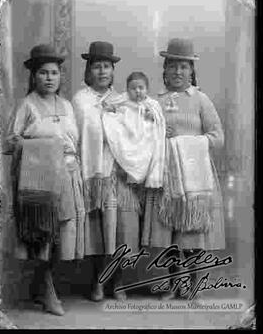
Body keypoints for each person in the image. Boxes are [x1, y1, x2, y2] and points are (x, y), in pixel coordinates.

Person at [141, 38, 225, 300]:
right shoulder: (156, 101)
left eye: (184, 67)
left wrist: (187, 143)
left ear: (191, 71)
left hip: (195, 176)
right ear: (164, 70)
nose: (178, 72)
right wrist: (156, 134)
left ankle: (193, 283)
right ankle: (173, 282)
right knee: (170, 233)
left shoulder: (201, 100)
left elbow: (217, 137)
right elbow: (142, 139)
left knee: (193, 233)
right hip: (167, 176)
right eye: (173, 66)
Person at [5, 44, 85, 316]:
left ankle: (41, 284)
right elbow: (10, 142)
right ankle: (48, 290)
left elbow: (74, 140)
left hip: (68, 175)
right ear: (34, 76)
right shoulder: (26, 105)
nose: (50, 78)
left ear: (60, 76)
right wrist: (43, 145)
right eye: (43, 73)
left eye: (54, 73)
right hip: (38, 178)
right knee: (43, 234)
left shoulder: (66, 105)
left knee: (62, 234)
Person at [73, 42, 147, 301]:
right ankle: (97, 282)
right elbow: (77, 136)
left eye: (107, 66)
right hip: (93, 175)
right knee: (97, 233)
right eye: (97, 66)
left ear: (113, 70)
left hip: (120, 173)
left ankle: (120, 282)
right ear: (89, 70)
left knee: (123, 231)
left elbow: (137, 134)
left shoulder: (123, 99)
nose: (102, 71)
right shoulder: (80, 101)